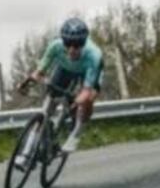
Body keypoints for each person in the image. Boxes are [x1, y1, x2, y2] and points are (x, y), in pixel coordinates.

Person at [19, 18, 104, 154]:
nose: (71, 49)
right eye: (67, 44)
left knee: (87, 100)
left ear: (83, 42)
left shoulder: (94, 55)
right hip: (65, 68)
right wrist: (29, 82)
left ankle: (77, 132)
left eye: (77, 45)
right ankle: (30, 147)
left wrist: (78, 100)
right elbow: (40, 72)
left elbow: (86, 91)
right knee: (49, 101)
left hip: (88, 71)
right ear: (62, 40)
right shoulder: (55, 46)